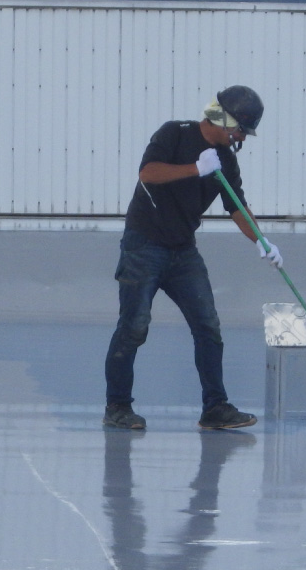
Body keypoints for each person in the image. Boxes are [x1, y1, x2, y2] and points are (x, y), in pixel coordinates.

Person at [104, 86, 281, 430]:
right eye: (241, 130)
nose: (241, 137)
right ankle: (117, 407)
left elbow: (237, 207)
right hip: (144, 245)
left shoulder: (226, 160)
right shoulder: (174, 133)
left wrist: (262, 241)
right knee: (134, 326)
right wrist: (195, 168)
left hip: (183, 251)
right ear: (225, 120)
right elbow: (148, 173)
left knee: (208, 327)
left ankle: (215, 408)